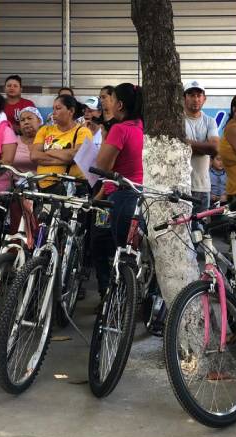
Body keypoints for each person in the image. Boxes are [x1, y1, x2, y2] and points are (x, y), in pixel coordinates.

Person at [93, 83, 145, 299]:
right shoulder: (142, 126)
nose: (108, 104)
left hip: (122, 197)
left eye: (112, 100)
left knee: (119, 252)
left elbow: (102, 166)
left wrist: (106, 138)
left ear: (120, 105)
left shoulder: (120, 129)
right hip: (142, 196)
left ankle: (118, 300)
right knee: (134, 252)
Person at [31, 94, 92, 194]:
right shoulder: (45, 130)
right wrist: (66, 158)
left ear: (71, 111)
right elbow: (34, 156)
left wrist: (49, 152)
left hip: (70, 189)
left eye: (58, 108)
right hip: (42, 188)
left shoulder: (83, 131)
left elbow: (77, 156)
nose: (53, 112)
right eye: (53, 108)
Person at [183, 81, 219, 214]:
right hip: (182, 186)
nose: (196, 99)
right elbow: (178, 148)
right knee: (182, 224)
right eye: (191, 95)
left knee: (200, 225)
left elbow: (214, 148)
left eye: (199, 95)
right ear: (184, 98)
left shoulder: (210, 121)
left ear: (204, 98)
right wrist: (204, 146)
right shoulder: (177, 120)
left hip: (203, 186)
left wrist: (186, 142)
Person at [15, 107, 42, 174]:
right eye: (22, 120)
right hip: (17, 180)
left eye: (29, 118)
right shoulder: (14, 141)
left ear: (39, 121)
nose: (26, 122)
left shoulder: (47, 141)